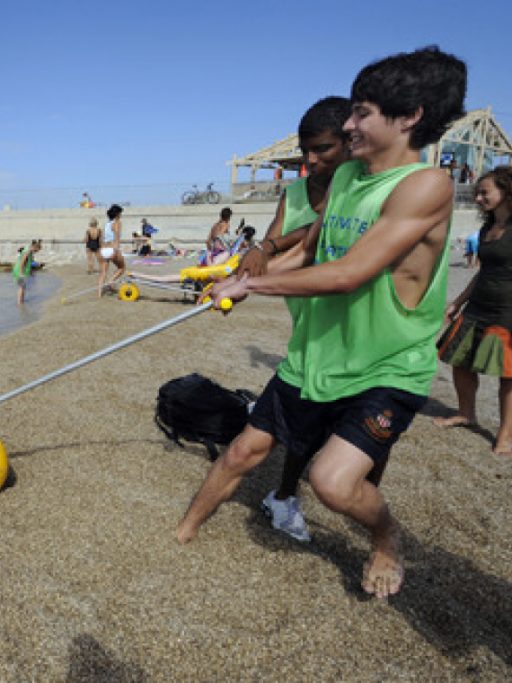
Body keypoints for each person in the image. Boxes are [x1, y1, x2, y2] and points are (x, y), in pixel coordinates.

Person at [177, 46, 467, 600]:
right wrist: (233, 281)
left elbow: (348, 273)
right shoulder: (347, 175)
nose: (350, 123)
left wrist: (252, 285)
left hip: (387, 365)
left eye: (362, 112)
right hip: (318, 352)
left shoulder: (425, 187)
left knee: (332, 482)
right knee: (243, 451)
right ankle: (184, 528)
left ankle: (386, 538)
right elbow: (311, 251)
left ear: (410, 117)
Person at [230, 96, 353, 540]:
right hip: (307, 313)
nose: (310, 160)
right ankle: (285, 495)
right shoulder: (295, 192)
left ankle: (299, 494)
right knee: (308, 414)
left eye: (322, 149)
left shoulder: (355, 189)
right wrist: (249, 267)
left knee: (339, 419)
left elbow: (312, 244)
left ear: (350, 142)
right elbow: (274, 244)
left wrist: (269, 255)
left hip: (348, 313)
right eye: (305, 151)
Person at [434, 167, 512, 456]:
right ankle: (466, 413)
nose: (478, 198)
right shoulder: (486, 229)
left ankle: (505, 435)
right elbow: (482, 273)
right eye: (477, 193)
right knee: (460, 360)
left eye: (484, 192)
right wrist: (457, 302)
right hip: (478, 305)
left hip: (508, 312)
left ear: (506, 191)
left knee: (508, 375)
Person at [97, 204, 126, 297]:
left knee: (103, 273)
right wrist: (116, 250)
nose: (121, 215)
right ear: (117, 214)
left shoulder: (107, 224)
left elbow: (102, 238)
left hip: (103, 250)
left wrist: (101, 249)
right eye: (120, 213)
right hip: (112, 249)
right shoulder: (117, 223)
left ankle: (99, 294)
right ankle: (111, 281)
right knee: (122, 268)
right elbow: (117, 238)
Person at [13, 239, 42, 305]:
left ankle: (21, 301)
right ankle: (19, 303)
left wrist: (36, 266)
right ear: (34, 247)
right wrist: (21, 273)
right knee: (21, 287)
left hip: (21, 271)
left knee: (23, 287)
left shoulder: (30, 252)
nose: (37, 252)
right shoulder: (28, 252)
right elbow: (22, 262)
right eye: (37, 250)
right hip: (19, 271)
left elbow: (30, 263)